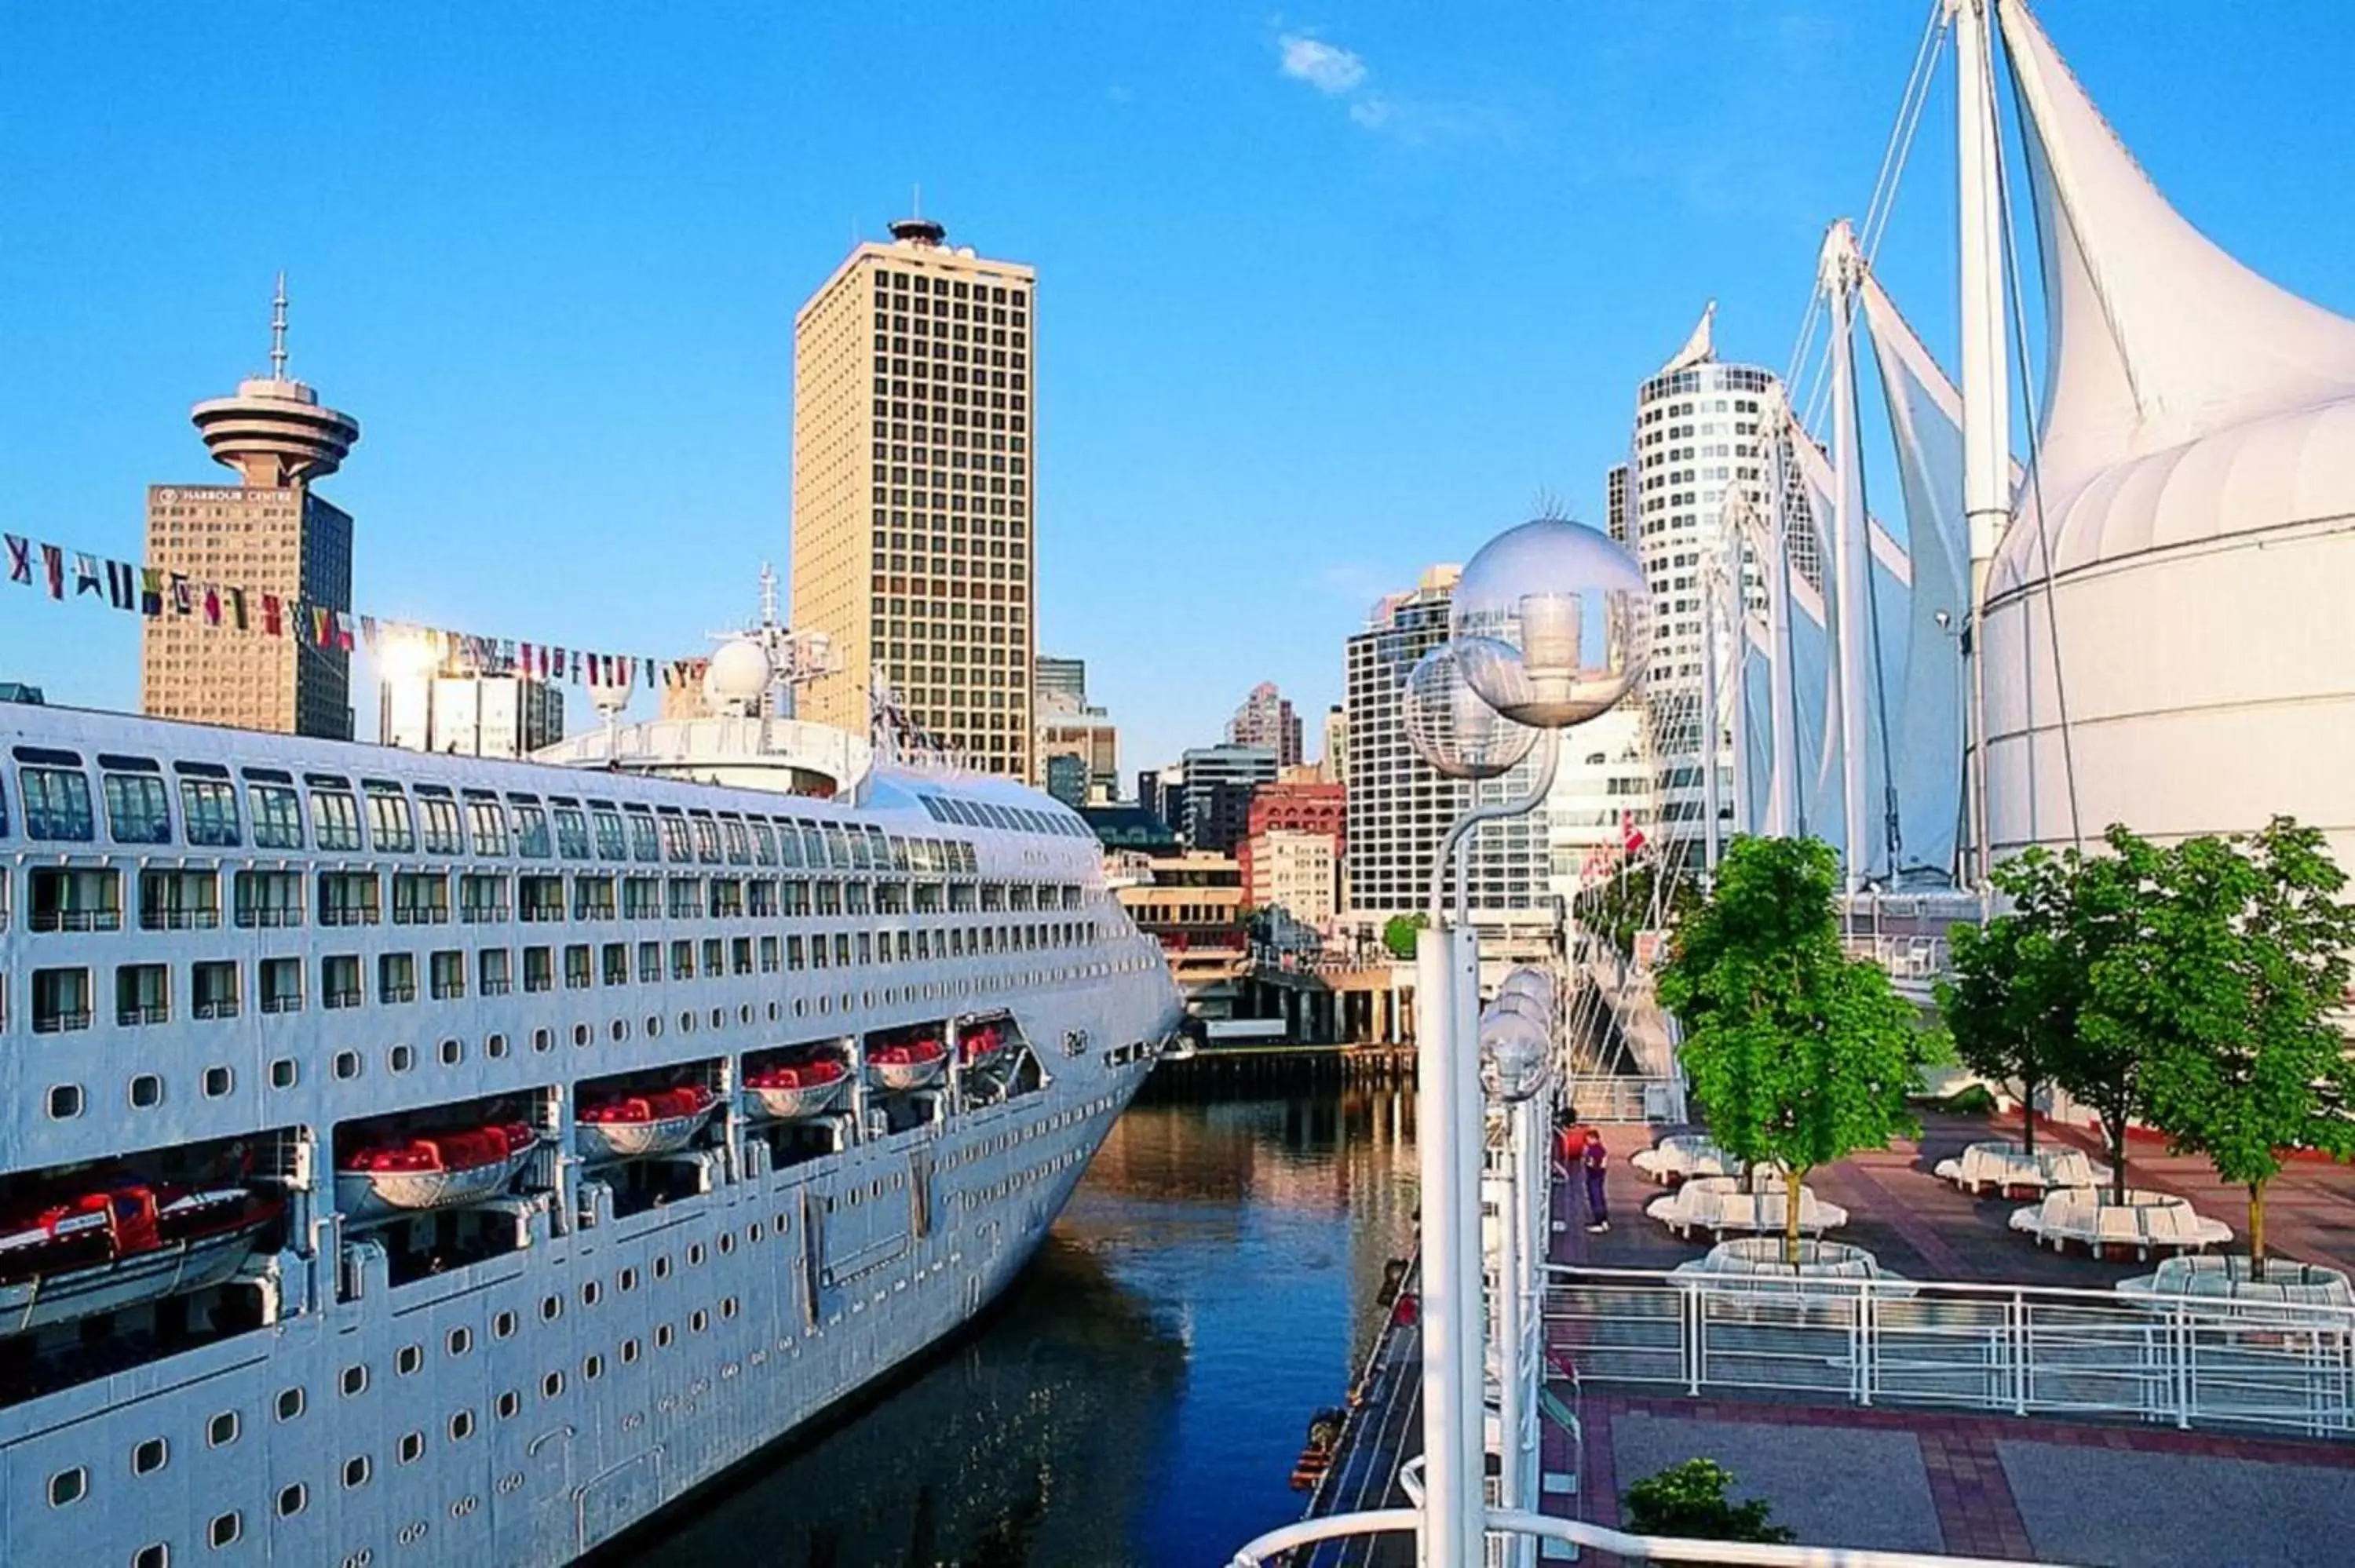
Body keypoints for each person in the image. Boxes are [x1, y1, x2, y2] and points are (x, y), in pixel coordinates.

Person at [1581, 1128, 1611, 1234]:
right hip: (1599, 1176)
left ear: (1593, 1139)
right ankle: (1603, 1221)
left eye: (1588, 1139)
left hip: (1594, 1176)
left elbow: (1594, 1164)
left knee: (1595, 1198)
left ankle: (1599, 1221)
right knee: (1599, 1197)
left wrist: (1589, 1164)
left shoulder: (1594, 1150)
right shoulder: (1601, 1149)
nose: (1586, 1142)